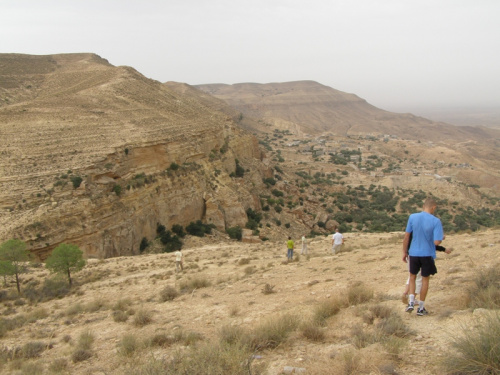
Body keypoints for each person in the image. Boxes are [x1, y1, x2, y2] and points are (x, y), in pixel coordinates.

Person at [402, 198, 443, 316]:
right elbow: (437, 242)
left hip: (413, 253)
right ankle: (420, 307)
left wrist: (404, 252)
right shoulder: (436, 221)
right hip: (427, 254)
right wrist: (440, 238)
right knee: (425, 280)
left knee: (412, 277)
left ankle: (410, 302)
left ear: (423, 206)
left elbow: (406, 237)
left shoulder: (412, 217)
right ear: (433, 207)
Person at [402, 233, 453, 304]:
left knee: (412, 276)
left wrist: (405, 252)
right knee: (420, 279)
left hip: (411, 254)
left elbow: (406, 239)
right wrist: (443, 248)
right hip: (422, 256)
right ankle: (412, 300)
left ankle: (405, 293)